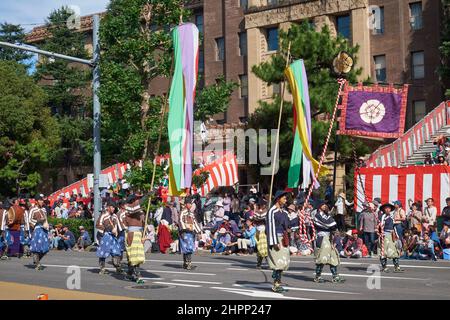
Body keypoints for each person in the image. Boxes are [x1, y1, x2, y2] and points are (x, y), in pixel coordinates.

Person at [312, 201, 345, 283]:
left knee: (333, 257)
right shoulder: (318, 216)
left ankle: (335, 276)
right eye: (323, 205)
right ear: (319, 206)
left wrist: (335, 237)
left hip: (329, 238)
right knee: (322, 258)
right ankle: (317, 276)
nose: (325, 206)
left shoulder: (327, 216)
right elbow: (329, 224)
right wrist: (333, 225)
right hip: (322, 237)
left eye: (325, 205)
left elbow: (333, 226)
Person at [266, 190, 291, 293]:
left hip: (283, 238)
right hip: (275, 238)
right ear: (278, 199)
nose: (286, 200)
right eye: (284, 198)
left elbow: (288, 225)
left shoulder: (284, 212)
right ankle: (276, 284)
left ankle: (278, 282)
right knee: (277, 262)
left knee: (283, 262)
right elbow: (270, 227)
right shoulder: (271, 211)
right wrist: (274, 242)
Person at [96, 200, 123, 276]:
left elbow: (119, 226)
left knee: (116, 252)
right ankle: (102, 268)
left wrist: (117, 231)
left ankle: (118, 268)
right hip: (105, 236)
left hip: (113, 236)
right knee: (103, 253)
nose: (113, 208)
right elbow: (98, 225)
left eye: (114, 207)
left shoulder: (115, 216)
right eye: (112, 207)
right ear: (108, 207)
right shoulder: (103, 215)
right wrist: (108, 228)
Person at [124, 194, 146, 283]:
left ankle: (129, 273)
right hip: (131, 234)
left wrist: (144, 235)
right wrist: (146, 196)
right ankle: (138, 276)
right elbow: (134, 208)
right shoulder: (128, 208)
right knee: (135, 256)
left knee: (134, 256)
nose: (137, 201)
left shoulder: (139, 211)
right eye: (135, 200)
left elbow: (144, 223)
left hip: (138, 234)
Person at [378, 203, 403, 272]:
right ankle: (384, 267)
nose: (387, 209)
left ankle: (397, 267)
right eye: (386, 208)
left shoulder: (392, 217)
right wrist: (381, 234)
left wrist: (397, 236)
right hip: (385, 235)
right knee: (383, 252)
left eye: (389, 208)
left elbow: (394, 227)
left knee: (395, 251)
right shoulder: (382, 217)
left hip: (392, 235)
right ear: (384, 209)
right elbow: (380, 226)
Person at [28, 195, 50, 270]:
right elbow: (30, 222)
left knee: (46, 248)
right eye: (40, 200)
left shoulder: (44, 209)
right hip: (37, 230)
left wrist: (47, 226)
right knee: (37, 248)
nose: (42, 201)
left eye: (42, 200)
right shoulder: (32, 210)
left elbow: (46, 220)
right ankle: (37, 264)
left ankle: (36, 260)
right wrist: (39, 221)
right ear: (36, 201)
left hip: (44, 230)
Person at [179, 198, 201, 269]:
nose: (191, 205)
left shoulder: (191, 213)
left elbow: (195, 223)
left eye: (191, 204)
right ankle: (188, 264)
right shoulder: (182, 212)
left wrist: (199, 232)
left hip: (190, 232)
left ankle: (186, 263)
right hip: (184, 232)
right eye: (189, 203)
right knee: (187, 248)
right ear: (186, 204)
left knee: (189, 247)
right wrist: (183, 229)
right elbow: (180, 221)